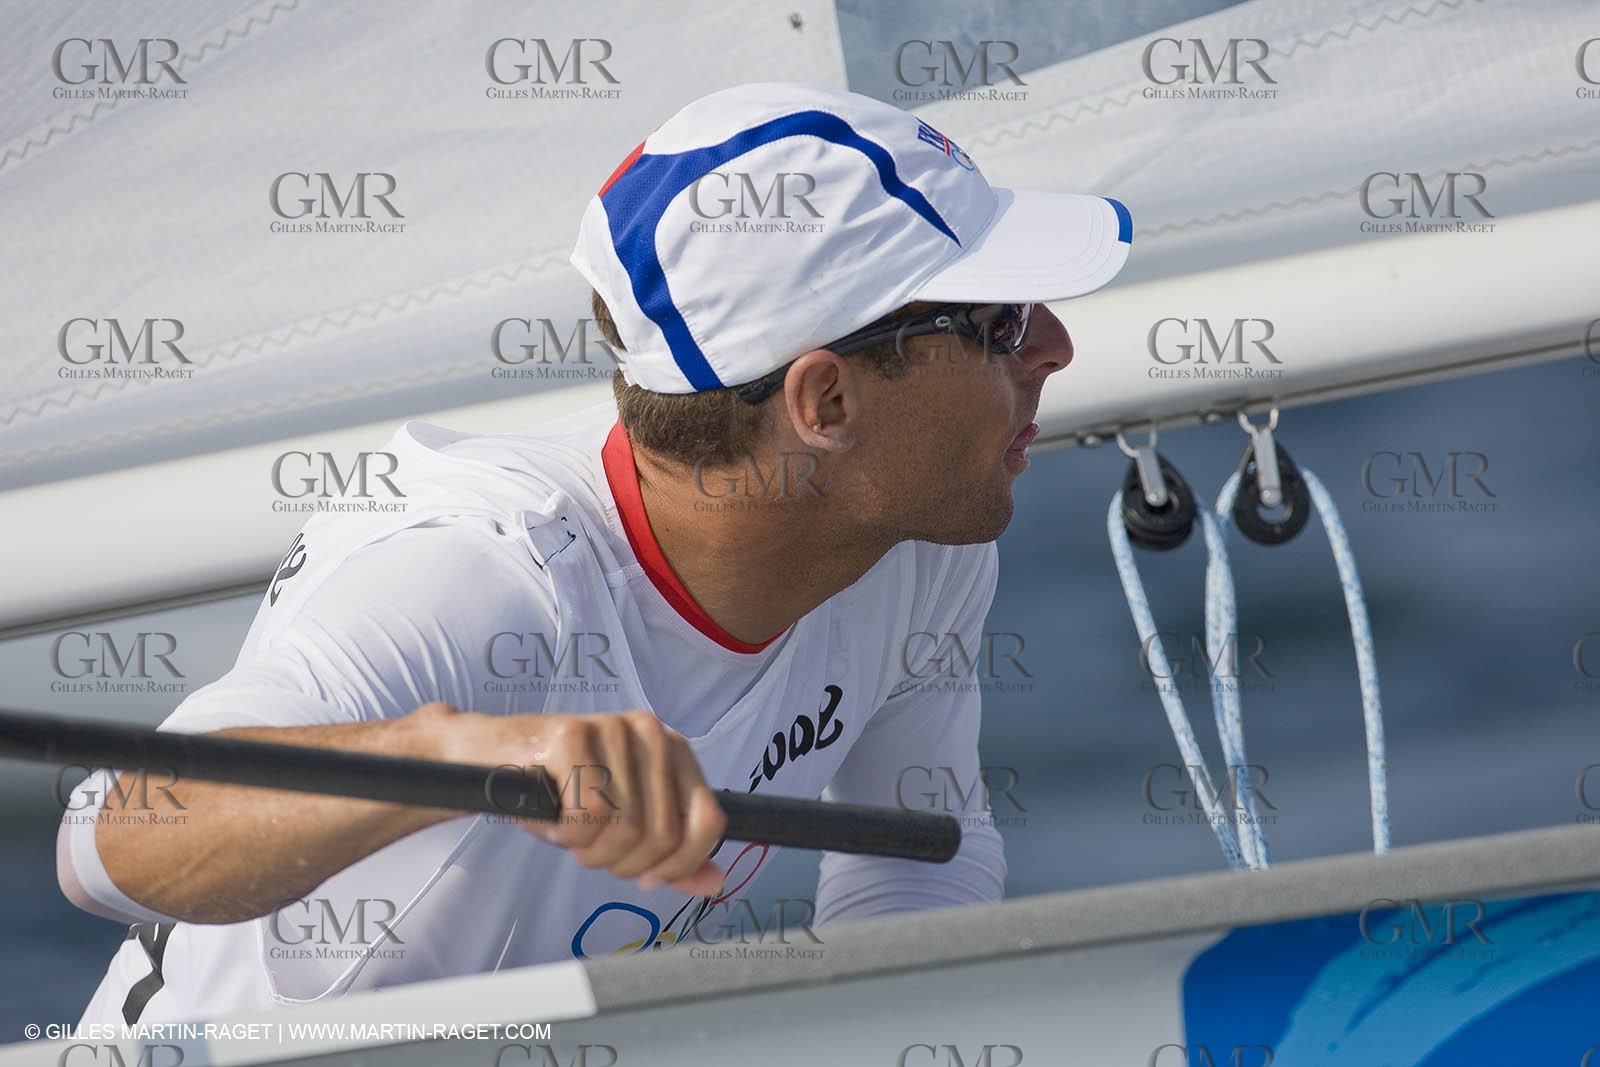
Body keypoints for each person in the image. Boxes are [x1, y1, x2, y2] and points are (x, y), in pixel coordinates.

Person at [59, 81, 1131, 1024]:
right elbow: (110, 842)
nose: (1054, 346)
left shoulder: (909, 538)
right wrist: (459, 758)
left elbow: (916, 864)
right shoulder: (472, 571)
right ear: (827, 399)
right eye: (996, 323)